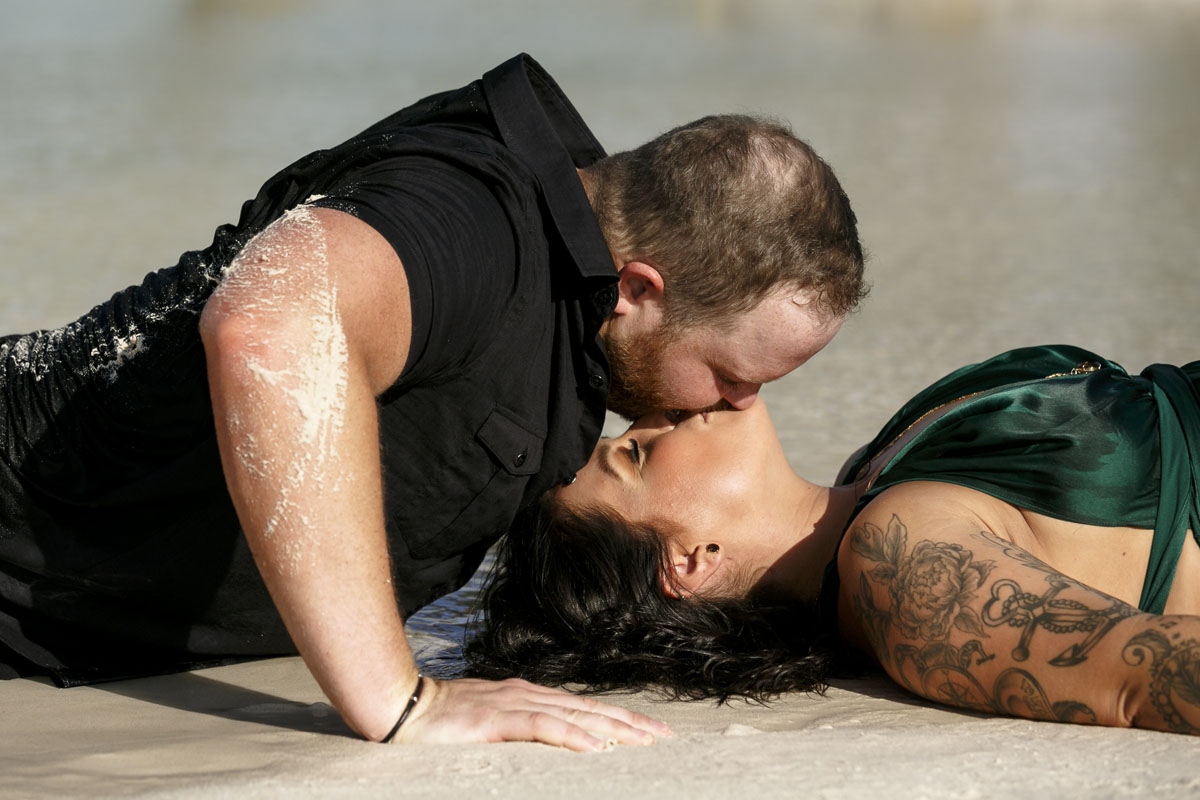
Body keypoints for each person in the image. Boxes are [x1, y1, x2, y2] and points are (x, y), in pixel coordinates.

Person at [0, 53, 866, 749]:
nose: (741, 403)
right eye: (731, 374)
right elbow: (269, 329)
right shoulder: (477, 217)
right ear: (639, 289)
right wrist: (399, 697)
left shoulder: (567, 298)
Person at [468, 344, 1200, 736]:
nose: (660, 413)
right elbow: (1146, 678)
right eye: (635, 452)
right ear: (688, 563)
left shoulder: (874, 470)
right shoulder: (903, 569)